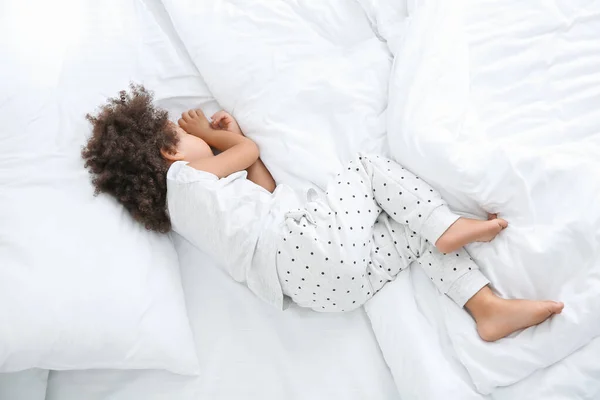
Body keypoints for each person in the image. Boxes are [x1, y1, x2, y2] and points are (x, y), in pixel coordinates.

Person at [83, 85, 563, 342]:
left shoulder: (197, 210)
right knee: (368, 168)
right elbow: (246, 150)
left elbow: (264, 188)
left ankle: (486, 308)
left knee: (404, 232)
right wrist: (216, 133)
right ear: (169, 153)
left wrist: (230, 143)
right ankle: (446, 226)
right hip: (305, 249)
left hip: (320, 289)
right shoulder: (185, 181)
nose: (197, 139)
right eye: (183, 135)